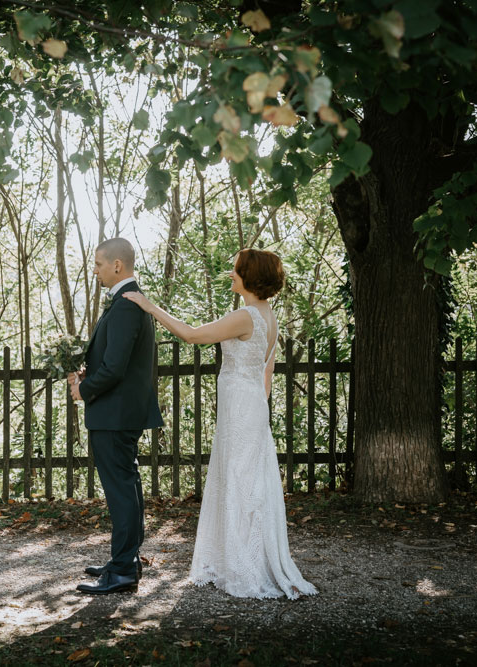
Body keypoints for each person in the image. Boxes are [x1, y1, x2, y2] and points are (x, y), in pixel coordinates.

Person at [123, 248, 317, 599]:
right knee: (246, 480)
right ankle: (240, 558)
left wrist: (150, 306)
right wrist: (257, 408)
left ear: (249, 276)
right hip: (250, 405)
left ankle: (246, 566)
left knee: (240, 481)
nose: (231, 273)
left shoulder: (246, 315)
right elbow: (266, 373)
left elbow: (193, 335)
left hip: (242, 408)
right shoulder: (267, 315)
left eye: (236, 269)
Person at [68, 238, 163, 595]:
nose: (95, 271)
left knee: (121, 492)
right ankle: (127, 559)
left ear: (117, 266)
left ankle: (123, 570)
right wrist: (85, 371)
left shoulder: (125, 305)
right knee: (128, 487)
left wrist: (84, 389)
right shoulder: (127, 302)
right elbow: (110, 360)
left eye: (97, 265)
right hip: (120, 412)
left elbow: (115, 369)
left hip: (115, 413)